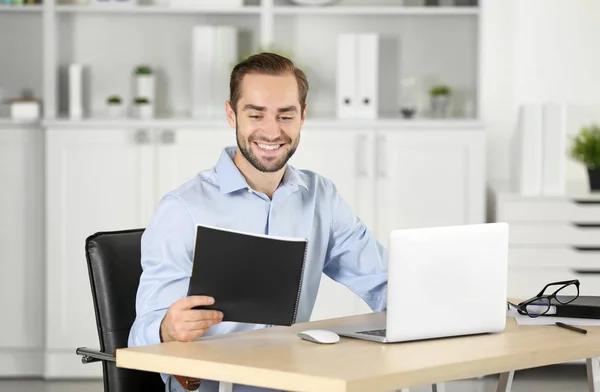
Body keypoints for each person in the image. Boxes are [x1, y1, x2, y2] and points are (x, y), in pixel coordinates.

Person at [128, 52, 388, 392]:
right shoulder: (183, 209)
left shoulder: (321, 197)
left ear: (302, 117)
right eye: (256, 114)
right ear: (231, 114)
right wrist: (167, 328)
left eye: (285, 115)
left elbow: (381, 281)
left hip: (288, 377)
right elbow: (141, 332)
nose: (272, 130)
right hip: (212, 383)